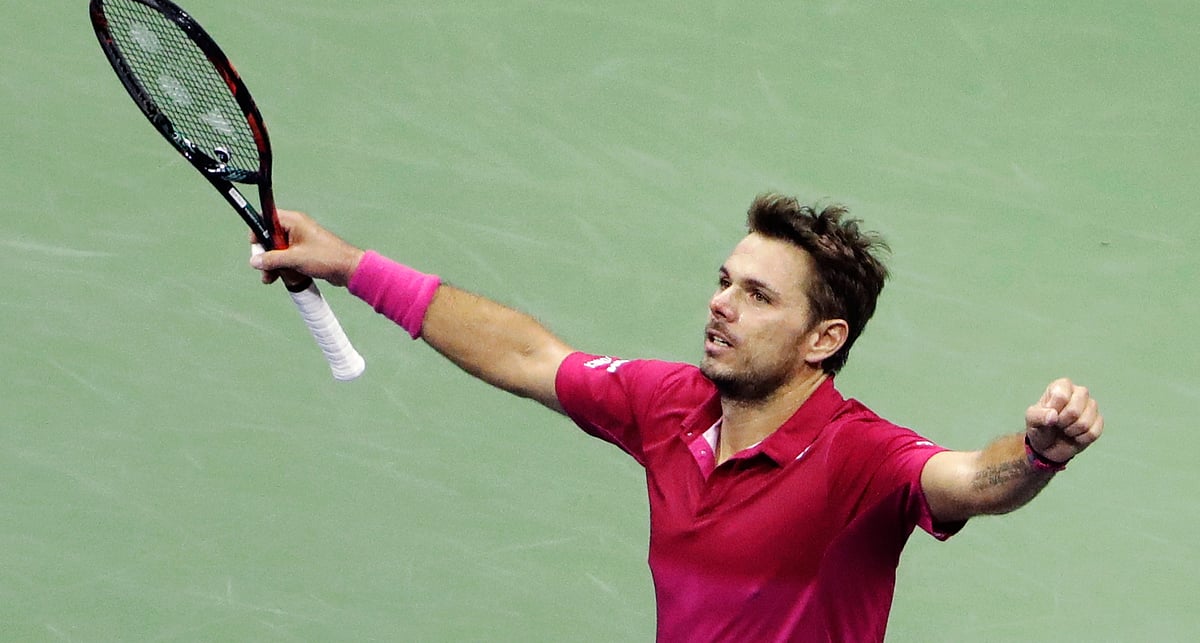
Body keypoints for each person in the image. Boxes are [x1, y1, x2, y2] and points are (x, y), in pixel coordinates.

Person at [250, 193, 1103, 642]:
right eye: (725, 279)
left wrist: (1036, 455)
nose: (720, 304)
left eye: (757, 294)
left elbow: (966, 479)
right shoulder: (667, 405)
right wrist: (352, 263)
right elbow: (527, 356)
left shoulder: (860, 458)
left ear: (823, 339)